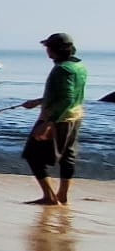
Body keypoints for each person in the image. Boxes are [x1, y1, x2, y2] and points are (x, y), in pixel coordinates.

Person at [21, 32, 87, 206]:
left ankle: (49, 197)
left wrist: (49, 122)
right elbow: (68, 95)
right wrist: (39, 101)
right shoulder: (79, 67)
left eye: (48, 47)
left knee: (32, 155)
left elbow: (66, 97)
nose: (47, 51)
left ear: (55, 49)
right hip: (75, 117)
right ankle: (62, 195)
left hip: (57, 119)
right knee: (67, 156)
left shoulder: (62, 69)